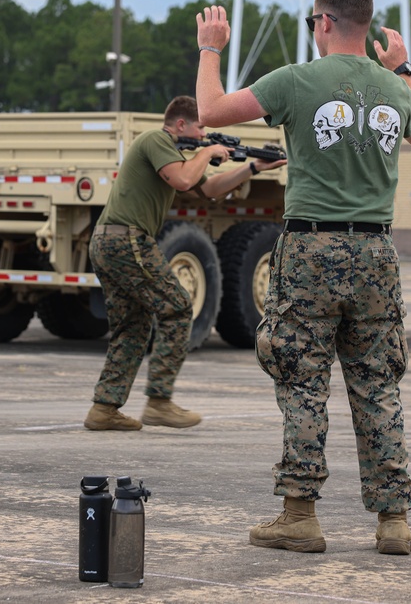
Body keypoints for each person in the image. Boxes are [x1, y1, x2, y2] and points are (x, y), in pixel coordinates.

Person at [195, 0, 411, 555]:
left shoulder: (297, 81)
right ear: (367, 24)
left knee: (303, 380)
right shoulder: (394, 88)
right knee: (377, 383)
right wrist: (401, 68)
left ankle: (300, 514)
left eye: (313, 23)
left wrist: (210, 48)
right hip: (376, 252)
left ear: (324, 22)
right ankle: (393, 519)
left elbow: (210, 111)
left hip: (310, 249)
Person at [83, 96, 286, 432]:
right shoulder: (156, 140)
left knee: (132, 326)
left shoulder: (174, 155)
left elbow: (207, 189)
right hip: (126, 240)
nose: (204, 133)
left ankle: (104, 407)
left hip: (111, 242)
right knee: (178, 308)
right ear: (180, 125)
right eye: (201, 127)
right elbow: (183, 181)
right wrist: (207, 152)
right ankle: (159, 402)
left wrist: (251, 167)